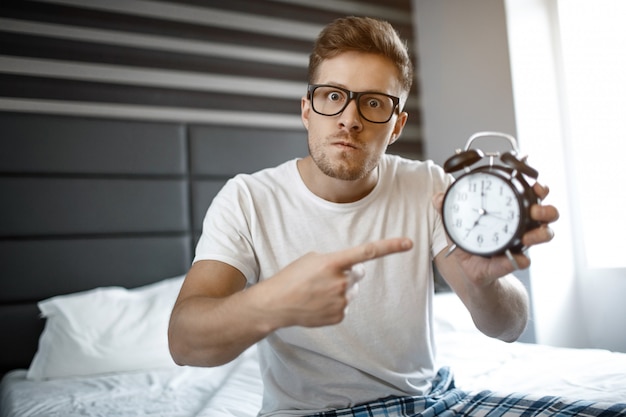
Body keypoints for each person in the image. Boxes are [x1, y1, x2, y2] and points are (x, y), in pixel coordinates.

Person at [168, 16, 566, 417]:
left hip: (430, 401)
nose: (350, 119)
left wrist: (485, 284)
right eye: (332, 96)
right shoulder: (247, 200)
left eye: (374, 102)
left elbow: (509, 327)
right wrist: (275, 302)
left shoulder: (429, 185)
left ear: (397, 126)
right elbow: (183, 343)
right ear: (307, 109)